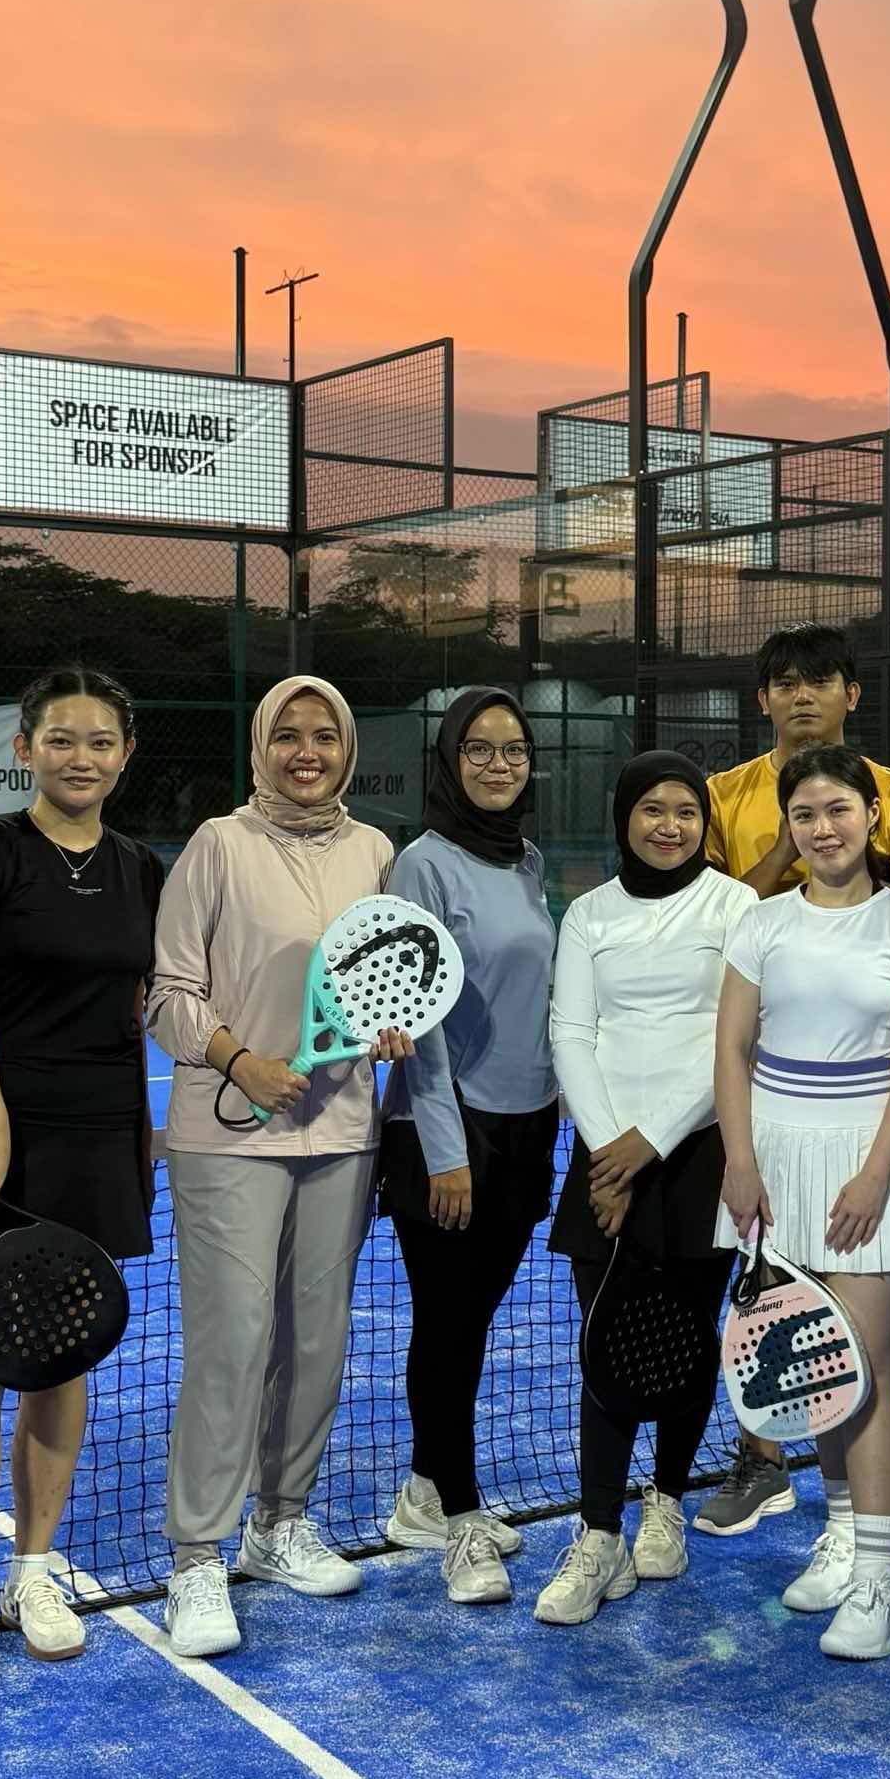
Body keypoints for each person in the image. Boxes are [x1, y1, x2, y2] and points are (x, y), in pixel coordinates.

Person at [0, 667, 163, 1722]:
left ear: (126, 757)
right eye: (61, 739)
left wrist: (144, 1130)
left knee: (62, 1358)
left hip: (91, 1140)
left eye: (100, 741)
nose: (80, 757)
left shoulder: (142, 868)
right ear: (24, 749)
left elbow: (144, 1008)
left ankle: (35, 1571)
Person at [150, 676, 410, 1658]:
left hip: (341, 1130)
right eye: (289, 736)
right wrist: (239, 1061)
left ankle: (279, 1522)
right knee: (234, 1340)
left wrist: (391, 1028)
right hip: (229, 1135)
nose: (308, 752)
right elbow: (169, 993)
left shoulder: (375, 851)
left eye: (326, 736)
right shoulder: (218, 846)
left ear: (347, 751)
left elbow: (382, 975)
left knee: (317, 1340)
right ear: (260, 748)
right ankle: (196, 1557)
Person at [698, 622, 890, 1540]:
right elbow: (720, 912)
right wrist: (792, 857)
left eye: (821, 680)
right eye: (785, 683)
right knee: (779, 1320)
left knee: (862, 1355)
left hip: (862, 1116)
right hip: (765, 1112)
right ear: (763, 700)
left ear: (851, 693)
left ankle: (869, 1513)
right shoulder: (725, 796)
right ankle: (769, 1465)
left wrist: (838, 871)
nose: (803, 695)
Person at [534, 753, 759, 1625]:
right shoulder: (590, 913)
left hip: (702, 1156)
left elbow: (732, 1039)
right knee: (607, 1345)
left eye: (686, 811)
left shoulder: (736, 907)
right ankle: (598, 1535)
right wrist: (609, 1157)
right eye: (652, 809)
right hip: (606, 1166)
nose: (670, 826)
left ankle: (666, 1500)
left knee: (688, 1341)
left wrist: (650, 1142)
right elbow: (571, 1032)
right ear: (624, 816)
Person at [378, 687, 558, 1606]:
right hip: (446, 1132)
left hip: (527, 1127)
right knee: (447, 1325)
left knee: (473, 1322)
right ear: (449, 761)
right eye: (479, 749)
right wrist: (446, 1150)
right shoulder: (422, 865)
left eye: (513, 749)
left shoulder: (527, 861)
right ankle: (458, 1516)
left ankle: (422, 1490)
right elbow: (417, 1018)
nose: (498, 764)